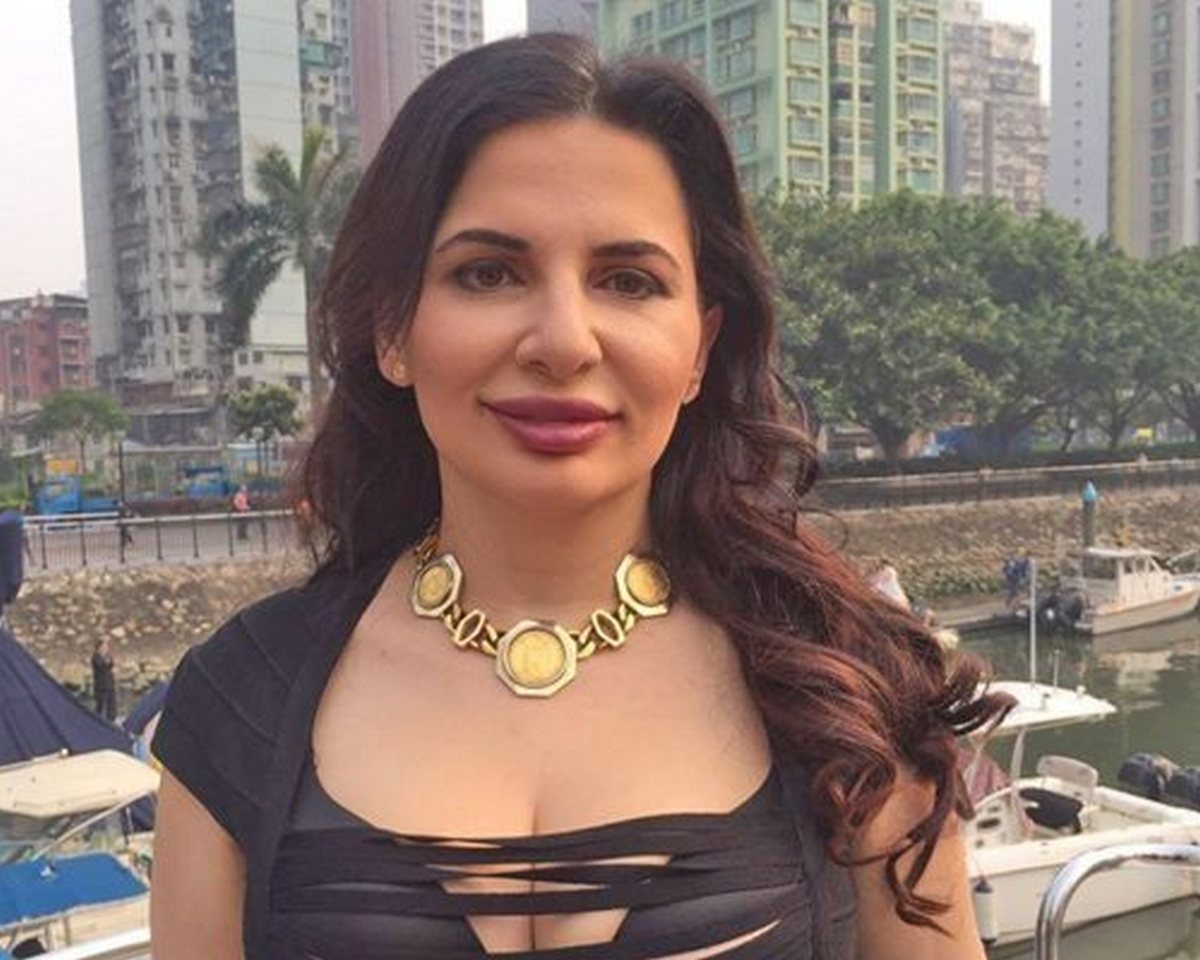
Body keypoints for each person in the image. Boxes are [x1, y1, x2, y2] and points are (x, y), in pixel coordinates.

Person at [150, 35, 1011, 960]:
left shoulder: (851, 691)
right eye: (489, 273)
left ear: (699, 349)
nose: (564, 341)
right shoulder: (240, 703)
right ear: (393, 329)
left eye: (628, 282)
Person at [91, 637, 117, 722]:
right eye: (103, 647)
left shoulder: (108, 657)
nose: (105, 649)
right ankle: (98, 721)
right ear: (99, 648)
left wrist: (107, 659)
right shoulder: (96, 657)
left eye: (106, 647)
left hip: (110, 685)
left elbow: (111, 664)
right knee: (101, 706)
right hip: (100, 687)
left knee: (112, 706)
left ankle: (111, 721)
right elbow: (100, 665)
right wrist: (105, 660)